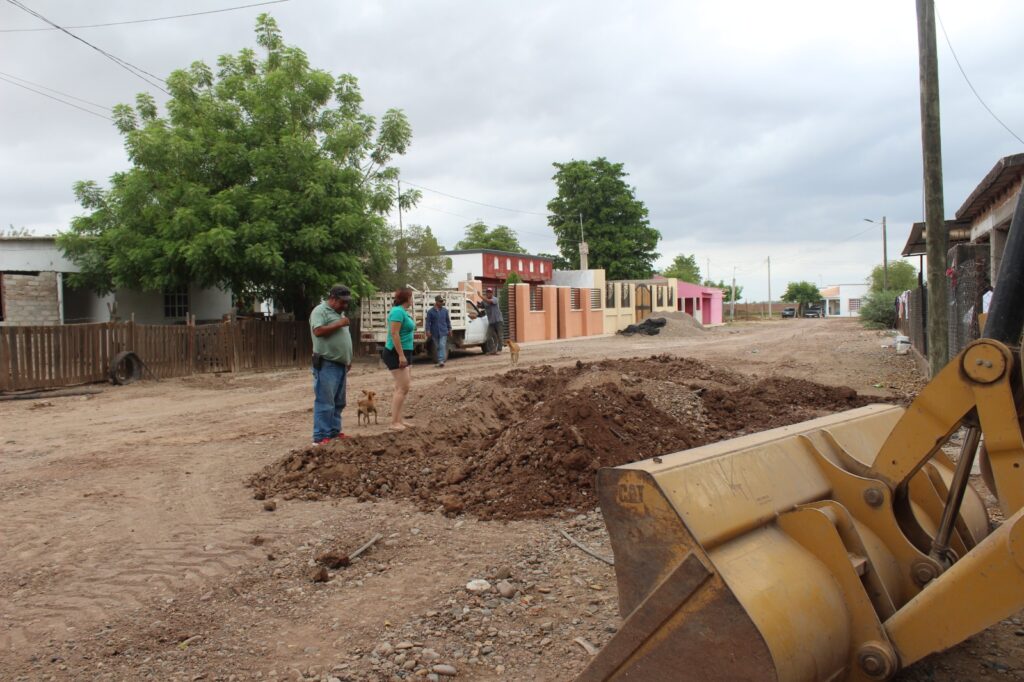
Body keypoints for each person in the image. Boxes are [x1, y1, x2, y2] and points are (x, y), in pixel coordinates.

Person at [309, 284, 353, 445]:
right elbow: (318, 331)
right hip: (326, 363)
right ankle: (320, 437)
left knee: (338, 402)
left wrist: (347, 359)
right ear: (332, 299)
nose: (345, 305)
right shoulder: (320, 311)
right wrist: (340, 324)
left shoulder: (338, 313)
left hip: (340, 364)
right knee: (325, 401)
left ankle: (334, 433)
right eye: (342, 302)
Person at [380, 287, 416, 431]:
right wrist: (401, 355)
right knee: (403, 387)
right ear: (407, 298)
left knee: (402, 388)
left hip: (406, 351)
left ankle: (399, 420)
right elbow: (394, 334)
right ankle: (394, 422)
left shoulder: (403, 312)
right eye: (411, 297)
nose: (412, 299)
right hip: (395, 353)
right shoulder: (397, 311)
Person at [425, 295, 452, 367]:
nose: (442, 302)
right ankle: (440, 360)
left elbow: (447, 321)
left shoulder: (445, 311)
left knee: (442, 345)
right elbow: (428, 322)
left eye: (442, 301)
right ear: (436, 302)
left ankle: (441, 361)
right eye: (440, 301)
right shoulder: (430, 312)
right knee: (437, 347)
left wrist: (450, 329)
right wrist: (427, 331)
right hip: (434, 332)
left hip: (443, 331)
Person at [482, 287, 504, 355]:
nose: (489, 293)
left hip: (498, 321)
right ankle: (492, 350)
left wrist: (480, 296)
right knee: (488, 337)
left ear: (492, 293)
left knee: (500, 336)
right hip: (491, 322)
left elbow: (489, 301)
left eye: (490, 292)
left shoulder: (495, 299)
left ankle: (499, 349)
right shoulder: (484, 301)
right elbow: (481, 306)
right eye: (488, 292)